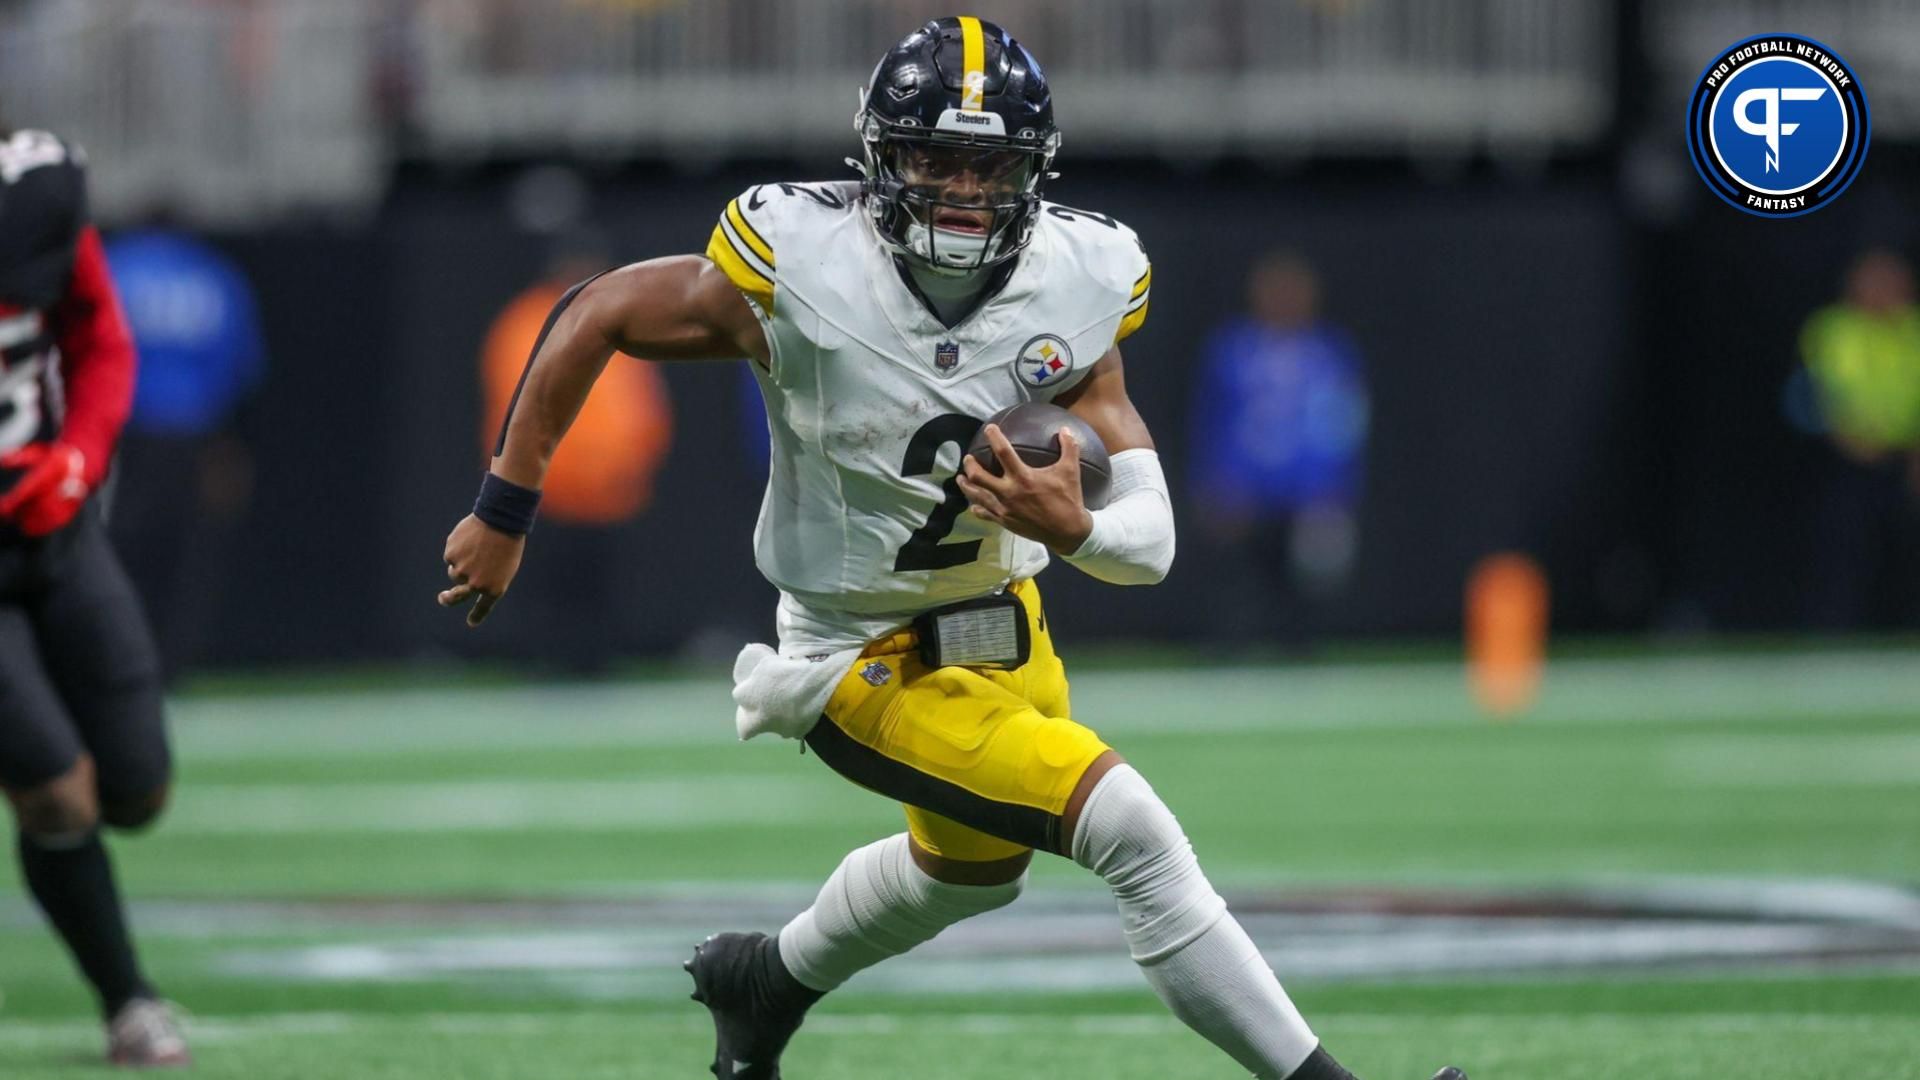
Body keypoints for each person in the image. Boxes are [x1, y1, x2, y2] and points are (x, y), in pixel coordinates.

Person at [439, 18, 1463, 1080]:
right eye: (936, 158)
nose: (965, 190)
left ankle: (767, 982)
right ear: (882, 161)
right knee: (1137, 838)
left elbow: (1146, 546)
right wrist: (506, 510)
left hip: (1004, 625)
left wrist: (1078, 529)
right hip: (858, 651)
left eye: (991, 164)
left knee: (972, 873)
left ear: (1034, 174)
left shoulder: (1081, 276)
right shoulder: (803, 261)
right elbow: (597, 310)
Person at [0, 128, 187, 1066]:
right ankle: (129, 1003)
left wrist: (77, 457)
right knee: (58, 796)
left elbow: (101, 341)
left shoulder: (35, 191)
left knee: (138, 786)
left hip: (54, 529)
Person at [479, 248, 673, 672]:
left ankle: (593, 662)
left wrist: (637, 458)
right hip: (549, 488)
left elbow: (641, 404)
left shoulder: (613, 314)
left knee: (597, 588)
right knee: (550, 587)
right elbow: (517, 405)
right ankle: (548, 663)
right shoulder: (530, 321)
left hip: (606, 489)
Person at [104, 224, 267, 683]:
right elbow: (240, 368)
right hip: (193, 436)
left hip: (123, 437)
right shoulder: (211, 273)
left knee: (115, 551)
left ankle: (115, 658)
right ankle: (169, 664)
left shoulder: (116, 267)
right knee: (182, 559)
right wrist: (226, 445)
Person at [1190, 252, 1367, 648]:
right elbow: (1213, 421)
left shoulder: (1329, 353)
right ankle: (1234, 663)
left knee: (1307, 586)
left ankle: (1303, 664)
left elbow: (1343, 424)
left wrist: (1335, 490)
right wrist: (1216, 482)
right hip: (1245, 492)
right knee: (1239, 587)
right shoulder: (1233, 350)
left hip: (1307, 494)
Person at [1798, 248, 1920, 628]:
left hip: (1908, 460)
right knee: (1846, 551)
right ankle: (1834, 634)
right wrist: (1848, 433)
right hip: (1848, 459)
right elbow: (1818, 394)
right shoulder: (1834, 329)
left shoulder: (1912, 328)